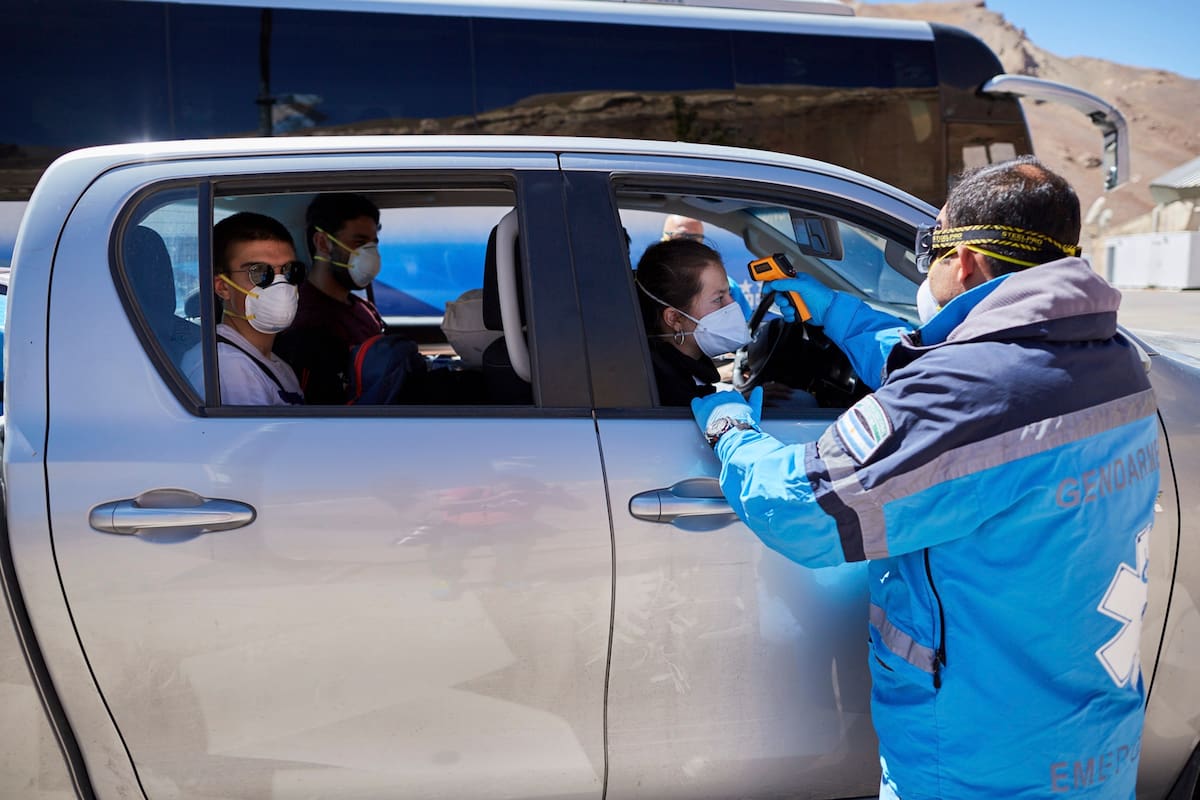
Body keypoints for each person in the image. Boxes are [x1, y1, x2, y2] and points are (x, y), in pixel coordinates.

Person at [690, 157, 1159, 799]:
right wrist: (835, 311)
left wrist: (730, 429)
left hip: (977, 765)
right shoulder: (1108, 359)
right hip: (1091, 750)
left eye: (928, 251)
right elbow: (948, 380)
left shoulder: (970, 391)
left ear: (963, 262)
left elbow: (803, 510)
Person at [182, 212, 305, 406]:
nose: (281, 285)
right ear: (223, 287)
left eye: (290, 271)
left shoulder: (271, 363)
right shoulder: (229, 370)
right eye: (260, 273)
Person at [274, 192, 387, 403]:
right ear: (323, 243)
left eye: (373, 244)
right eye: (359, 243)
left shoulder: (363, 308)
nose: (371, 255)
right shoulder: (304, 322)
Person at [634, 238, 753, 406]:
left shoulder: (674, 370)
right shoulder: (667, 390)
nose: (733, 305)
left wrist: (741, 400)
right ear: (675, 318)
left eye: (729, 293)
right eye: (718, 299)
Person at [661, 214, 753, 318]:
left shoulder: (728, 288)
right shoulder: (647, 286)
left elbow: (744, 323)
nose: (688, 246)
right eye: (680, 238)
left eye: (695, 239)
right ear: (663, 240)